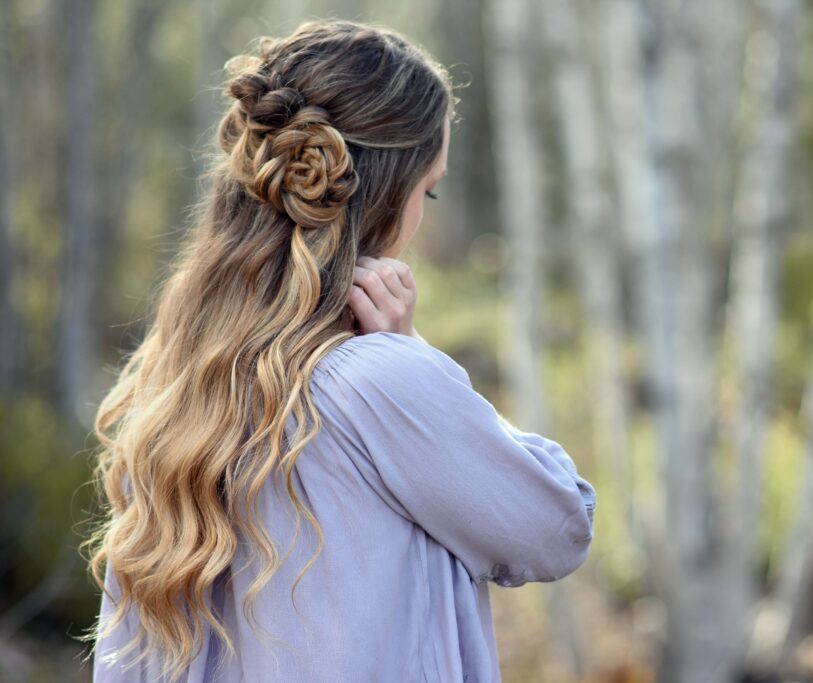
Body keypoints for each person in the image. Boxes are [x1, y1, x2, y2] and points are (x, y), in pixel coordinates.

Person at [81, 17, 597, 683]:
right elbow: (557, 524)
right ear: (381, 197)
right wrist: (416, 352)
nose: (422, 216)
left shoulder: (173, 383)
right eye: (427, 189)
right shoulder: (379, 379)